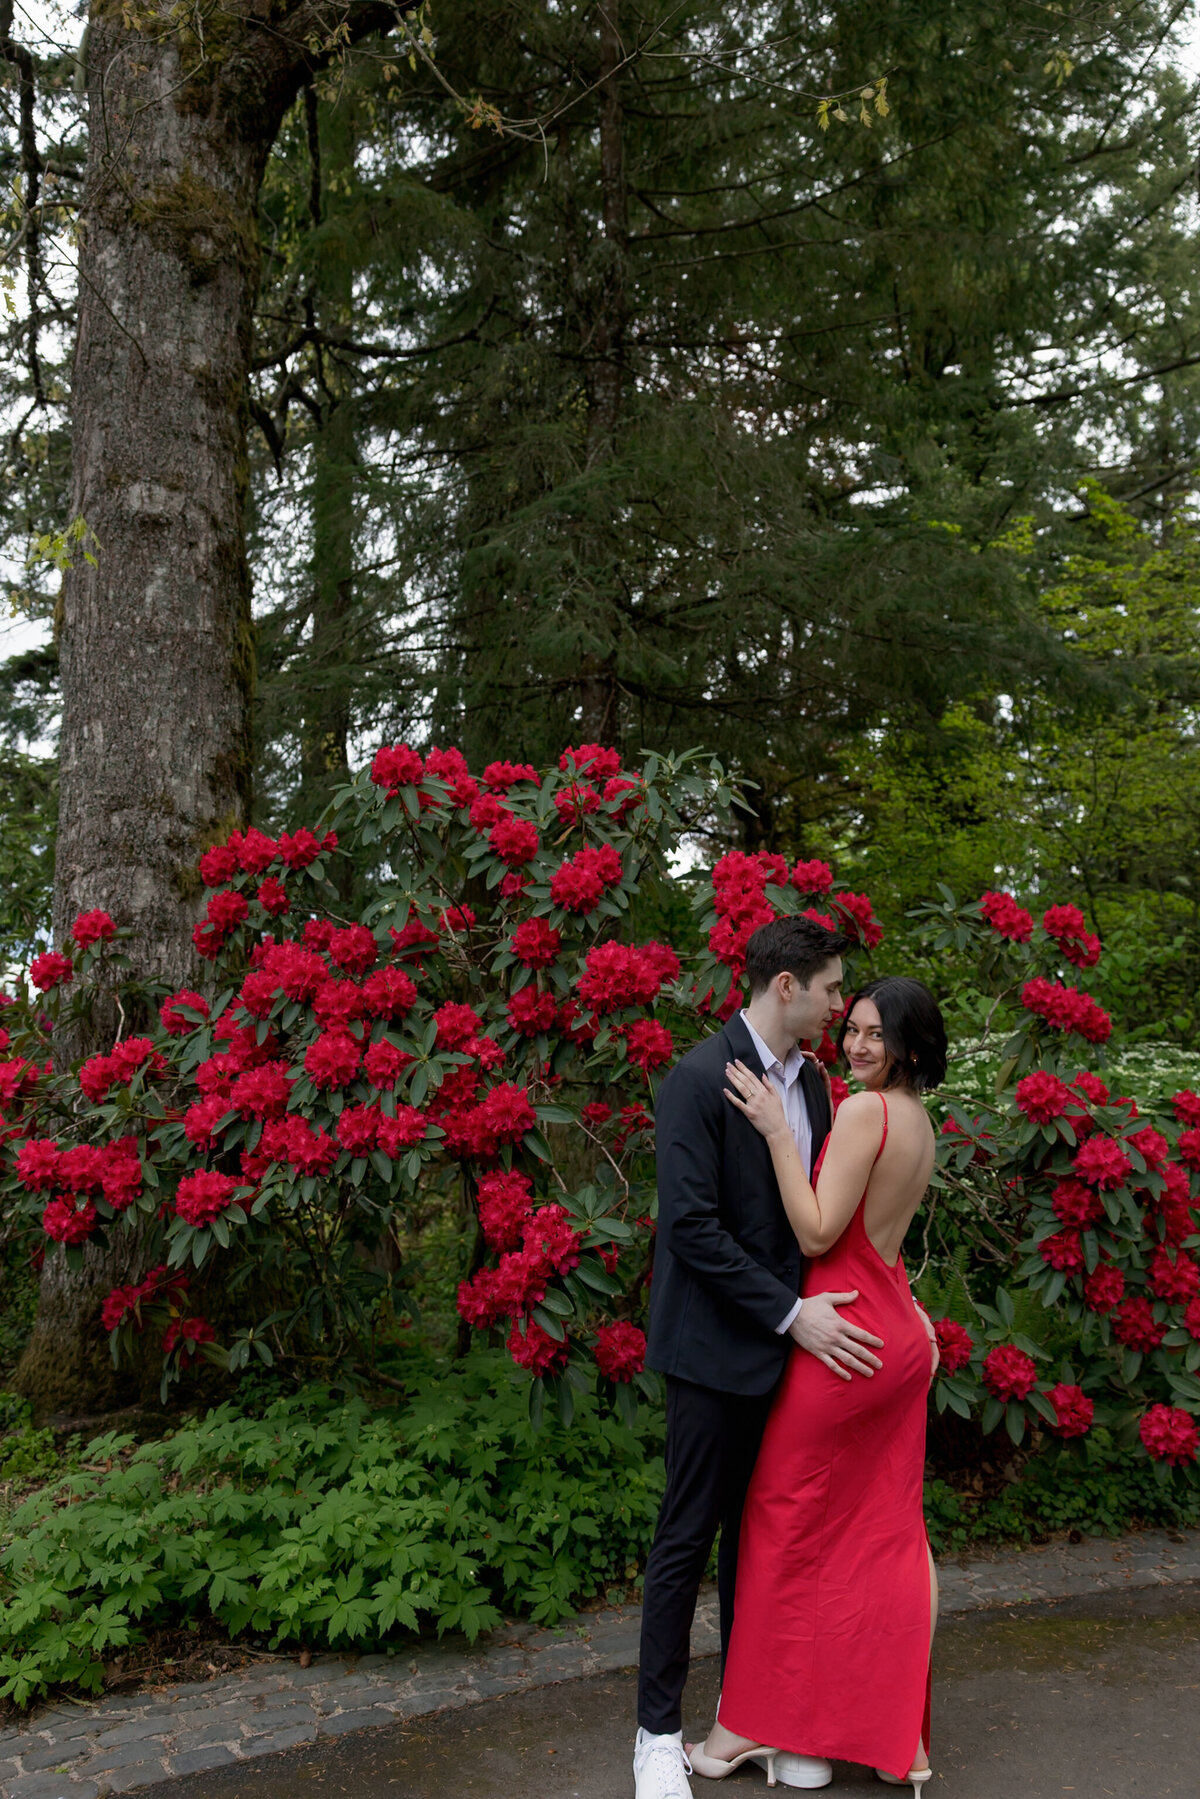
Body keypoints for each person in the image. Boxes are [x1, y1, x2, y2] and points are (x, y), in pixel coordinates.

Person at [634, 919, 924, 1799]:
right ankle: (655, 1736)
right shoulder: (697, 1075)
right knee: (687, 1540)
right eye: (834, 989)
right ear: (788, 987)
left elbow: (838, 1222)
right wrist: (790, 1313)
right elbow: (690, 1226)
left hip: (807, 1356)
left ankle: (762, 1716)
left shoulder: (829, 1088)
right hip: (722, 1350)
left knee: (769, 1545)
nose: (843, 1006)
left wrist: (901, 1306)